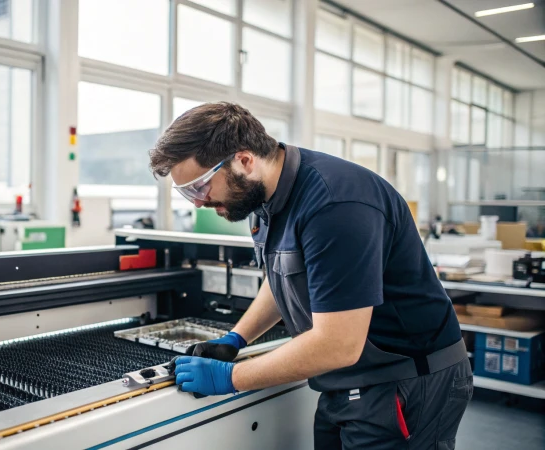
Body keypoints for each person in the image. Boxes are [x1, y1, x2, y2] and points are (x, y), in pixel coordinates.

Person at [149, 102, 472, 450]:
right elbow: (283, 279)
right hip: (346, 379)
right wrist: (235, 339)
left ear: (244, 160)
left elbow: (338, 345)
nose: (198, 203)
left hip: (407, 380)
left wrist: (232, 377)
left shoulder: (335, 205)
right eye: (187, 194)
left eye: (200, 187)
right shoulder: (262, 200)